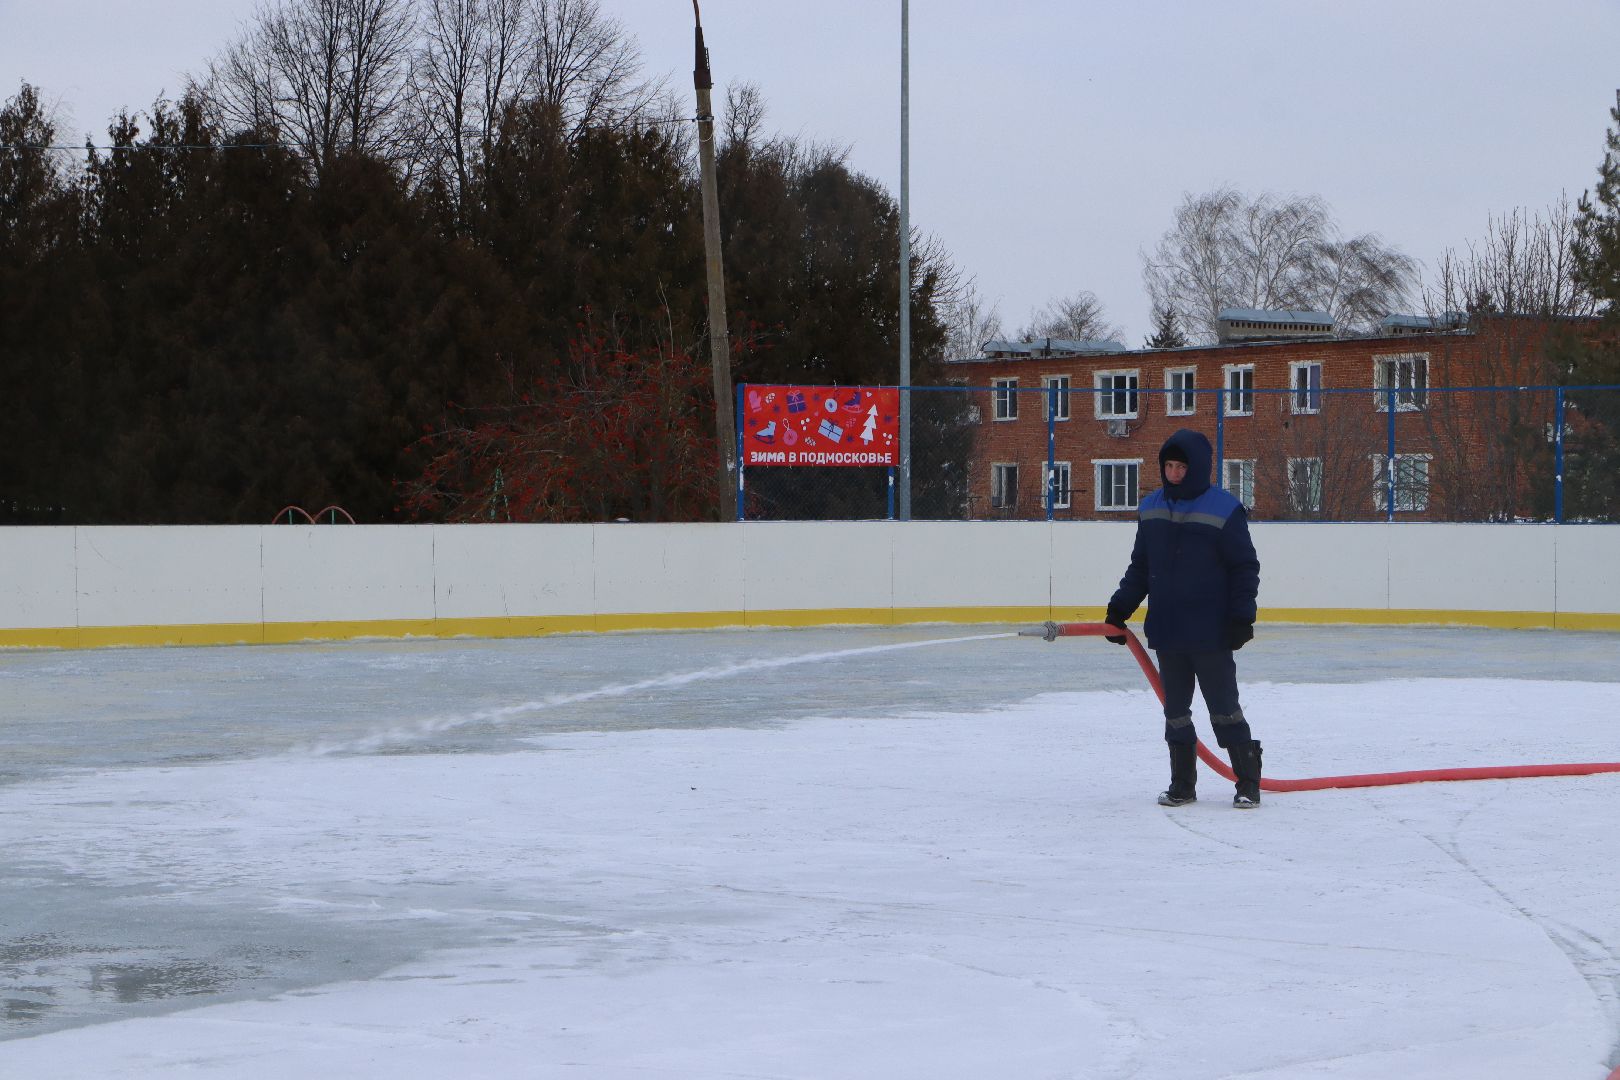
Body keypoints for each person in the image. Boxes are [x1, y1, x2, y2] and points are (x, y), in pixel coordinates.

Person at [1104, 428, 1264, 808]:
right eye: (1169, 466)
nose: (1174, 473)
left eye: (1181, 467)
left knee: (1224, 710)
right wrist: (1119, 608)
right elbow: (1141, 567)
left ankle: (1247, 783)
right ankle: (1183, 786)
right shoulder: (1151, 507)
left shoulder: (1224, 509)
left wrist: (1241, 616)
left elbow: (1245, 567)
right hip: (1168, 632)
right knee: (1175, 713)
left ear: (1197, 469)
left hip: (1211, 633)